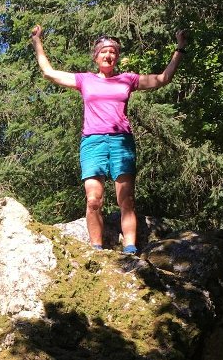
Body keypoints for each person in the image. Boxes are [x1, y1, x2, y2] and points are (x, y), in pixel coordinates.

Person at [30, 26, 187, 253]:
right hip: (93, 142)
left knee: (127, 200)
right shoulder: (85, 80)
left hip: (121, 142)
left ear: (117, 57)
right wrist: (37, 42)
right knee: (93, 200)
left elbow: (163, 79)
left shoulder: (127, 79)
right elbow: (49, 72)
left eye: (113, 52)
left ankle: (130, 249)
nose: (108, 55)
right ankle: (97, 249)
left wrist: (180, 48)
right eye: (104, 51)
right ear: (96, 57)